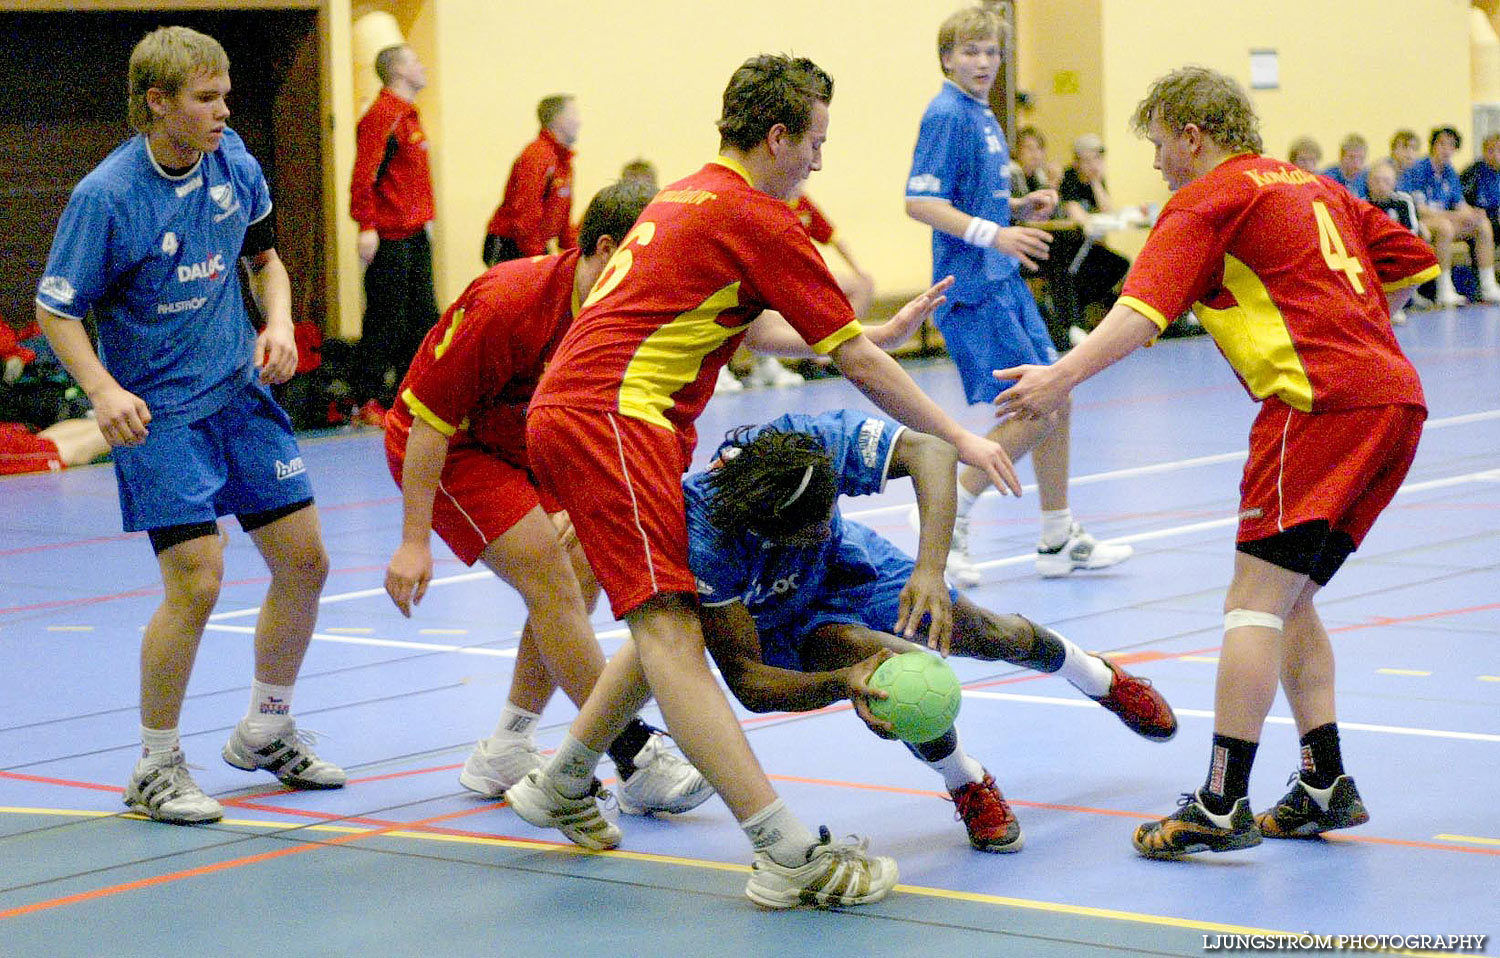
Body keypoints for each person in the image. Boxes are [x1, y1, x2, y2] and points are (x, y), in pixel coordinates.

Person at [505, 53, 1021, 911]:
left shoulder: (688, 195)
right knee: (676, 636)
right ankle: (784, 850)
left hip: (600, 413)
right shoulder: (758, 215)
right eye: (814, 140)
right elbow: (852, 363)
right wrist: (957, 434)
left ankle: (560, 780)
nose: (820, 158)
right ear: (778, 137)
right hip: (614, 419)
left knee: (664, 610)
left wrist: (864, 332)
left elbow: (737, 322)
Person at [993, 65, 1440, 859]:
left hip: (1316, 407)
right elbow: (1412, 264)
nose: (1161, 163)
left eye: (1162, 145)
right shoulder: (1314, 186)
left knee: (1252, 605)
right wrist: (1362, 341)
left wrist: (1059, 376)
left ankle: (1220, 804)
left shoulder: (1210, 195)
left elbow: (1140, 311)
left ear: (1192, 136)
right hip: (1394, 402)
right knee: (1291, 597)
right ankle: (1324, 783)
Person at [35, 26, 345, 825]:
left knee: (305, 562)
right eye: (206, 98)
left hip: (240, 398)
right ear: (158, 103)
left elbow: (264, 258)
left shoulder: (233, 164)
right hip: (161, 418)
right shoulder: (106, 197)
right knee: (199, 580)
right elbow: (56, 309)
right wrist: (103, 391)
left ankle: (267, 729)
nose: (222, 110)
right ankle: (157, 763)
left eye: (226, 94)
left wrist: (275, 323)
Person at [687, 409, 1178, 853]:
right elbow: (748, 681)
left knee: (988, 633)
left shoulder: (808, 446)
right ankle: (964, 779)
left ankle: (1099, 678)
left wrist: (929, 570)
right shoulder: (706, 540)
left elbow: (932, 450)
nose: (823, 526)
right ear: (769, 528)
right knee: (895, 676)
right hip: (778, 620)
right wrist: (843, 682)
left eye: (827, 513)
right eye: (809, 527)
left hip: (848, 567)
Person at [382, 181, 711, 815]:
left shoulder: (624, 314)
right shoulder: (511, 299)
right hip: (452, 446)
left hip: (529, 449)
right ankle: (632, 753)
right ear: (607, 248)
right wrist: (413, 541)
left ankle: (507, 746)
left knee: (579, 567)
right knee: (550, 576)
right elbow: (428, 421)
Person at [904, 6, 1133, 587]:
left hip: (1002, 280)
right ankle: (943, 513)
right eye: (971, 51)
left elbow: (969, 201)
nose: (983, 61)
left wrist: (1013, 211)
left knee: (1059, 390)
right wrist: (994, 232)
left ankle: (1058, 536)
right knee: (1041, 407)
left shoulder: (983, 115)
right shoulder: (945, 114)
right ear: (947, 58)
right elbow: (920, 203)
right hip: (974, 288)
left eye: (992, 52)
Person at [349, 43, 440, 418]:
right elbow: (364, 174)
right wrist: (366, 225)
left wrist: (428, 220)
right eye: (416, 61)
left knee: (424, 319)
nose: (423, 66)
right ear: (400, 70)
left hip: (416, 232)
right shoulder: (381, 115)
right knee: (386, 320)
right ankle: (367, 399)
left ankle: (408, 398)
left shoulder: (410, 116)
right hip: (390, 236)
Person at [1400, 125, 1500, 307]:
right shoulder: (1419, 169)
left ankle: (1488, 285)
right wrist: (1455, 216)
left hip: (1446, 219)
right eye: (1442, 144)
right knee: (1445, 227)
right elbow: (1421, 209)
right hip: (1422, 221)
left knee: (1483, 224)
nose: (1447, 149)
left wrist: (1473, 213)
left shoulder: (1450, 172)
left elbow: (1460, 204)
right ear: (1433, 146)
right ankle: (1444, 289)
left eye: (1451, 146)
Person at [1052, 133, 1133, 341]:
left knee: (1120, 264)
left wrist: (1096, 182)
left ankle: (1095, 313)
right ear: (1077, 161)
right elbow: (1077, 215)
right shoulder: (1069, 180)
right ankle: (1074, 319)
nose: (1093, 164)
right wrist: (1090, 219)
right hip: (1066, 246)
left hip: (1086, 246)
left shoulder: (1095, 182)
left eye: (1097, 159)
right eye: (1088, 160)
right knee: (1071, 273)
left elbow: (1107, 211)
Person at [483, 95, 580, 266]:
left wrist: (576, 254)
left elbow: (563, 218)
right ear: (558, 120)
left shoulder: (563, 161)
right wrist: (537, 259)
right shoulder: (537, 156)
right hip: (511, 244)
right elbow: (526, 213)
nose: (579, 122)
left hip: (534, 246)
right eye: (573, 114)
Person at [1366, 159, 1423, 324]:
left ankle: (1399, 305)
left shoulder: (1403, 201)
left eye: (1386, 181)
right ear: (1369, 182)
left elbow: (1412, 232)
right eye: (1376, 180)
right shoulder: (1361, 203)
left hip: (1397, 249)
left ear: (1394, 183)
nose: (1381, 185)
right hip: (1371, 250)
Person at [1461, 131, 1500, 243]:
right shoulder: (1473, 172)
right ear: (1484, 152)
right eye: (1491, 150)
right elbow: (1461, 200)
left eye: (1499, 150)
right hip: (1480, 217)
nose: (1496, 155)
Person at [1320, 134, 1368, 199]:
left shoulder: (1368, 179)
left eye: (1361, 158)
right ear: (1341, 157)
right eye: (1351, 157)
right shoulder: (1328, 177)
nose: (1356, 162)